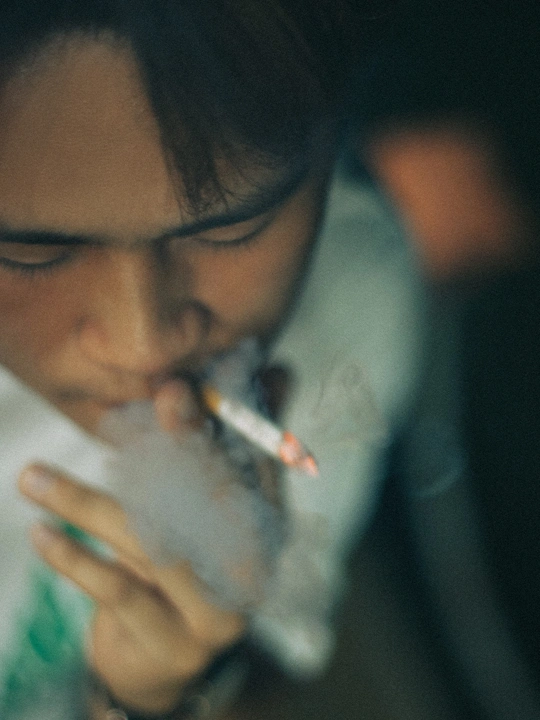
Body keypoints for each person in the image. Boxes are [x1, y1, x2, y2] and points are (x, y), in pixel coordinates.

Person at [0, 1, 423, 718]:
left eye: (233, 227)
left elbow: (271, 660)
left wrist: (154, 693)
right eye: (31, 252)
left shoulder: (351, 288)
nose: (145, 343)